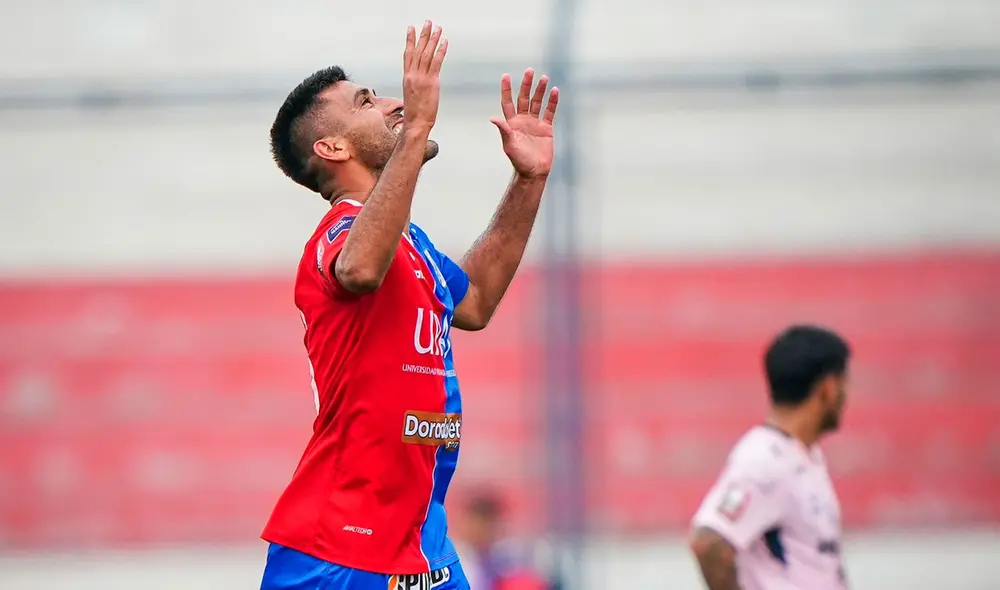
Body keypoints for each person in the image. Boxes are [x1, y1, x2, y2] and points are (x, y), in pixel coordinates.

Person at [258, 20, 559, 590]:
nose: (395, 103)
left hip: (423, 540)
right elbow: (359, 269)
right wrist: (418, 125)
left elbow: (476, 302)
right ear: (333, 148)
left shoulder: (411, 243)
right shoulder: (337, 235)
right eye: (366, 101)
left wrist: (529, 179)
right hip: (339, 547)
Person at [689, 325, 852, 590]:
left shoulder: (805, 455)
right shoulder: (765, 461)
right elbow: (709, 543)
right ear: (828, 388)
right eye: (845, 383)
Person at [456, 491, 551, 590]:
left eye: (490, 524)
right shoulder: (457, 564)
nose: (483, 531)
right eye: (479, 523)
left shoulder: (504, 561)